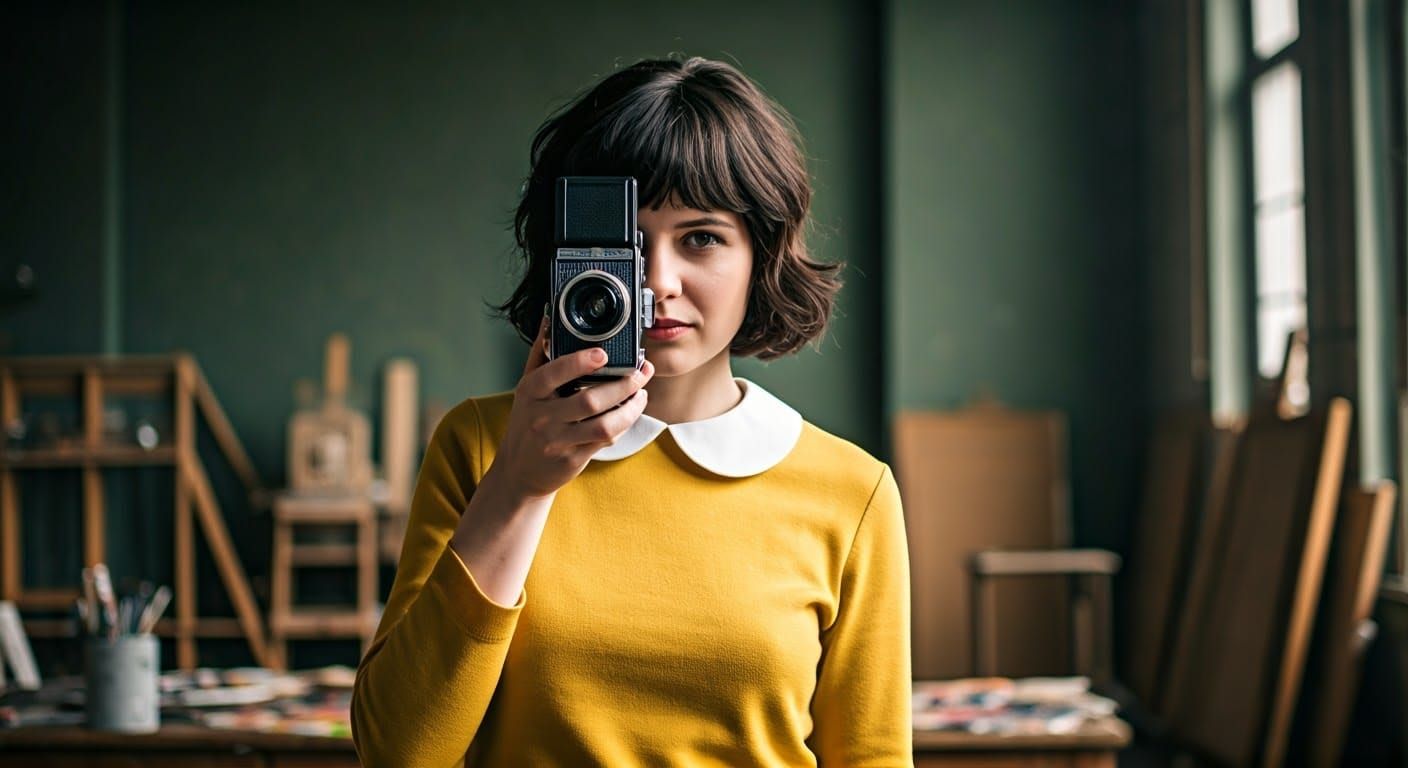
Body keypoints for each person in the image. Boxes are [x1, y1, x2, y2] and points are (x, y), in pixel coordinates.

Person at [351, 56, 912, 767]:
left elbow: (872, 756)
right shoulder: (482, 445)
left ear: (760, 254)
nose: (656, 283)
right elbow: (398, 753)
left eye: (701, 237)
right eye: (624, 244)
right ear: (564, 256)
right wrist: (517, 488)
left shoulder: (851, 493)